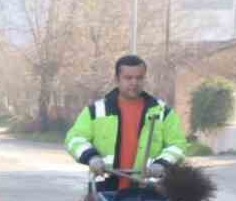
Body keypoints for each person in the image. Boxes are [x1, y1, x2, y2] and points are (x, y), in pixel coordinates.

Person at [64, 54, 188, 192]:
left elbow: (178, 145)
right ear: (117, 79)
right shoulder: (96, 111)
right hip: (105, 190)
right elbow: (74, 139)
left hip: (148, 191)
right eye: (128, 78)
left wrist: (162, 164)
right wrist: (91, 157)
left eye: (139, 78)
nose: (134, 82)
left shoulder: (163, 112)